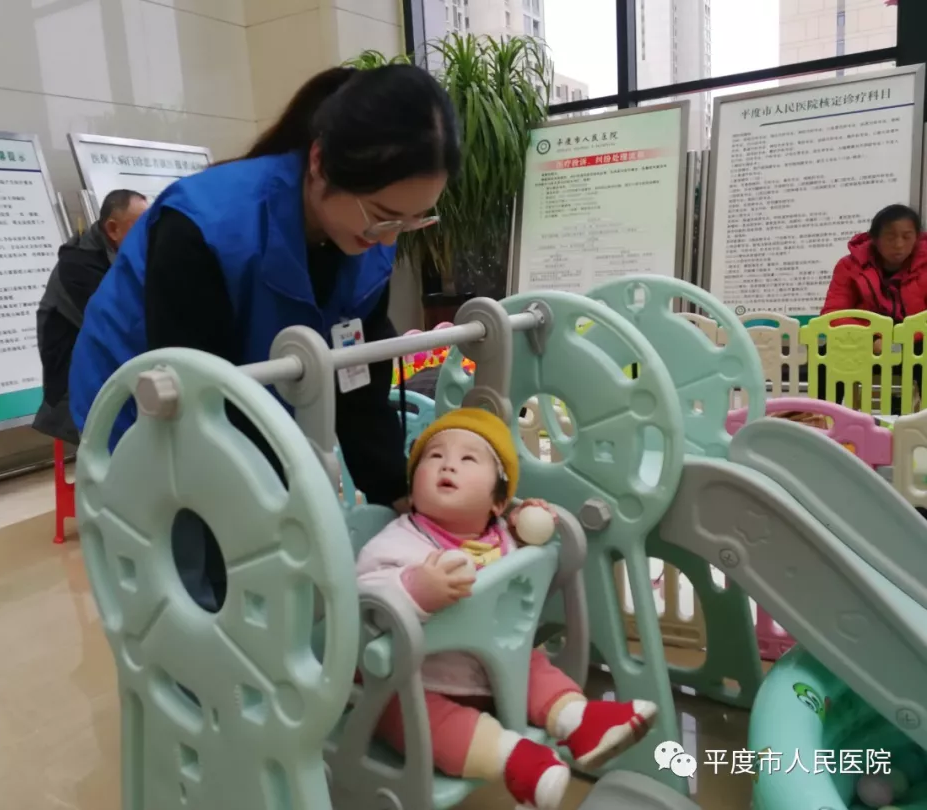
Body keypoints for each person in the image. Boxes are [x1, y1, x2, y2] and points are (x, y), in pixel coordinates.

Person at [68, 64, 460, 610]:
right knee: (193, 568)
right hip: (148, 404)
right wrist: (278, 499)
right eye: (383, 216)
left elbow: (357, 379)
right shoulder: (205, 224)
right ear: (320, 162)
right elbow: (200, 411)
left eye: (412, 221)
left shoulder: (368, 243)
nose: (389, 238)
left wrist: (396, 489)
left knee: (266, 556)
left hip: (249, 389)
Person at [356, 409, 657, 810]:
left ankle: (579, 720)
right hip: (419, 681)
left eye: (468, 459)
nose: (448, 464)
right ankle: (517, 761)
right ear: (412, 494)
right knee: (406, 717)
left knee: (535, 666)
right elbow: (365, 598)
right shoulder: (399, 542)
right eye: (434, 457)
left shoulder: (501, 537)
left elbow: (525, 578)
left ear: (498, 502)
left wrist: (529, 532)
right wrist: (413, 588)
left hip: (498, 674)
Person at [33, 189, 149, 444]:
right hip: (78, 389)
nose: (148, 233)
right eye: (141, 226)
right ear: (113, 229)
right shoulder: (78, 267)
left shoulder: (123, 256)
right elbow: (121, 328)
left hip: (114, 380)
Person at [821, 204, 927, 323]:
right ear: (875, 239)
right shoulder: (849, 266)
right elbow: (833, 314)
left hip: (917, 333)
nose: (899, 245)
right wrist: (869, 334)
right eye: (890, 237)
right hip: (865, 333)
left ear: (917, 238)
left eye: (907, 237)